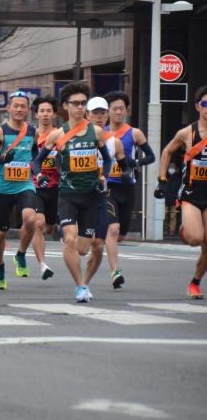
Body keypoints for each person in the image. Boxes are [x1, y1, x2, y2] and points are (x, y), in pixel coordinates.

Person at [33, 82, 116, 302]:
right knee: (69, 240)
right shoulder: (57, 135)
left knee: (82, 248)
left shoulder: (96, 131)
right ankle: (80, 286)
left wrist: (103, 176)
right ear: (65, 107)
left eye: (83, 104)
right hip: (68, 195)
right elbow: (37, 162)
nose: (80, 108)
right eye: (75, 104)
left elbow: (107, 160)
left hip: (91, 196)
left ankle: (82, 279)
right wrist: (39, 175)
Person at [155, 85, 207, 300]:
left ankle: (195, 281)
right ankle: (186, 230)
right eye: (205, 104)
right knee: (196, 239)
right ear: (197, 106)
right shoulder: (187, 133)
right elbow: (167, 151)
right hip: (191, 194)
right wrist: (162, 178)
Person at [103, 91, 156, 288]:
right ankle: (114, 272)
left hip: (128, 187)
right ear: (108, 111)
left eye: (121, 109)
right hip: (108, 186)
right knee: (114, 229)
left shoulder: (134, 133)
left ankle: (103, 239)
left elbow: (151, 157)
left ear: (126, 111)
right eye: (114, 108)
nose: (118, 112)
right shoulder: (102, 133)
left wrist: (134, 163)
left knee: (122, 233)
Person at [0, 91, 38, 290]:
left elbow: (36, 155)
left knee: (31, 219)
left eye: (23, 106)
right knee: (1, 232)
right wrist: (1, 161)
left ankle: (20, 254)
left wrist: (37, 170)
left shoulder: (33, 132)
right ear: (8, 108)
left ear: (28, 109)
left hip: (25, 184)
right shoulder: (0, 131)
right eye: (15, 106)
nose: (19, 109)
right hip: (4, 186)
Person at [83, 98, 129, 289]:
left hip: (102, 194)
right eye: (95, 113)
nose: (100, 117)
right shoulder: (75, 137)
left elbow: (124, 166)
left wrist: (126, 173)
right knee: (81, 245)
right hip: (77, 194)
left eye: (103, 113)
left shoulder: (114, 143)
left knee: (99, 243)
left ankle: (83, 283)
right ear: (87, 115)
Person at [31, 95, 59, 280]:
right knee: (38, 224)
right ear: (36, 114)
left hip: (57, 187)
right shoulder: (30, 135)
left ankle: (52, 226)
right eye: (42, 111)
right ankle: (42, 264)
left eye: (49, 111)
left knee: (49, 226)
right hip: (35, 186)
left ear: (55, 114)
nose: (45, 114)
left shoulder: (61, 135)